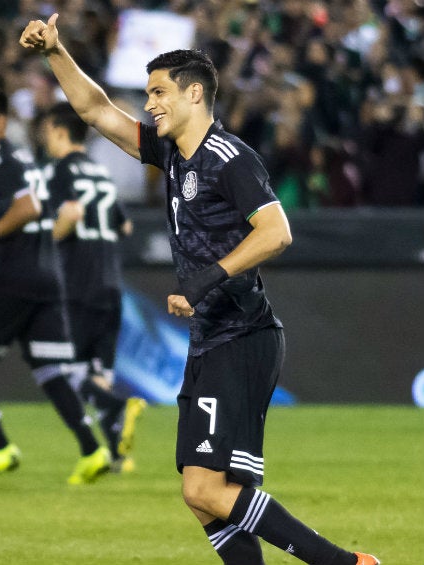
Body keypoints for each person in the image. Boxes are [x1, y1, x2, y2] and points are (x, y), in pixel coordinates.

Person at [21, 14, 379, 565]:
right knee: (204, 501)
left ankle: (345, 564)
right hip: (212, 337)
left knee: (205, 489)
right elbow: (94, 111)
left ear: (194, 94)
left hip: (242, 335)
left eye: (159, 93)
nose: (150, 104)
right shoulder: (171, 156)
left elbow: (277, 231)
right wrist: (55, 52)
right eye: (146, 95)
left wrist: (206, 277)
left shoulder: (228, 158)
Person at [0, 89, 110, 486]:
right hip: (46, 277)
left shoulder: (2, 161)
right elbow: (31, 207)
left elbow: (28, 209)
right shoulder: (22, 161)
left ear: (0, 122)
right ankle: (92, 449)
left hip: (13, 278)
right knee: (50, 368)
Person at [39, 102, 148, 473]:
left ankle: (115, 406)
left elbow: (69, 214)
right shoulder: (100, 173)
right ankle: (117, 455)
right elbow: (125, 227)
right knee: (100, 371)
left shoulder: (59, 172)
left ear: (57, 130)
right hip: (110, 283)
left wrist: (44, 240)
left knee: (65, 370)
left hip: (76, 284)